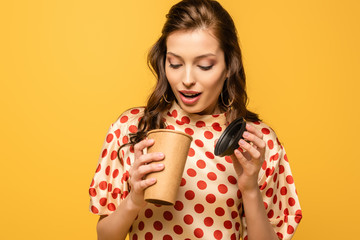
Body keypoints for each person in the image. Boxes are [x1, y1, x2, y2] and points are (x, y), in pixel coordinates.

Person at [88, 0, 302, 239]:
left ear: (229, 65)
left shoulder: (257, 143)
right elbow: (105, 236)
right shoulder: (132, 129)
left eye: (204, 65)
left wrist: (250, 189)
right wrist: (134, 200)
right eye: (175, 63)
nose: (186, 79)